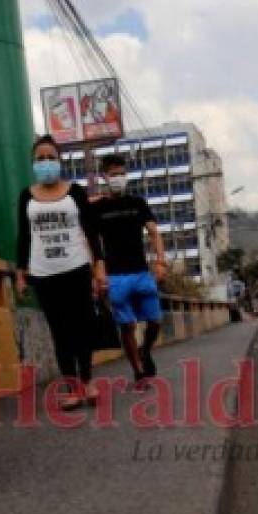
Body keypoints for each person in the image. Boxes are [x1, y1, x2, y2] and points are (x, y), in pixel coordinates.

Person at [15, 136, 106, 409]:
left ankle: (87, 380)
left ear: (60, 161)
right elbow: (24, 237)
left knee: (82, 326)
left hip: (76, 269)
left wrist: (99, 266)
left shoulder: (75, 192)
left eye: (50, 157)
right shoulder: (26, 196)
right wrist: (21, 273)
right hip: (44, 275)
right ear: (33, 164)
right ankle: (72, 386)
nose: (45, 163)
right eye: (40, 159)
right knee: (60, 332)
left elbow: (91, 231)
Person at [92, 154, 167, 389]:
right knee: (127, 326)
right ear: (104, 176)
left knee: (154, 321)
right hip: (115, 276)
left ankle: (145, 350)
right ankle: (138, 372)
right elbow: (91, 242)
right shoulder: (98, 208)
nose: (119, 178)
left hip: (141, 273)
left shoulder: (137, 203)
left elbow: (154, 232)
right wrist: (97, 274)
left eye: (122, 174)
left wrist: (160, 261)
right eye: (114, 174)